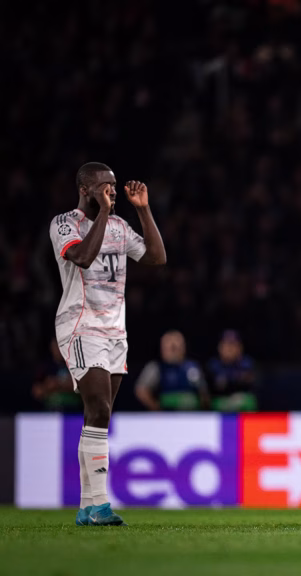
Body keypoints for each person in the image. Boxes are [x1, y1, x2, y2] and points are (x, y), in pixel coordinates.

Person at [48, 162, 166, 526]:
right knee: (98, 408)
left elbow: (156, 257)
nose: (112, 192)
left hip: (116, 330)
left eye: (114, 187)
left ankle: (87, 507)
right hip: (81, 325)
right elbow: (82, 257)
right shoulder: (64, 223)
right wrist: (102, 214)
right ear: (85, 188)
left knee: (99, 417)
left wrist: (143, 209)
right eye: (105, 187)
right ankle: (100, 504)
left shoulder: (119, 226)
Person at [135, 330, 207, 411]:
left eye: (177, 347)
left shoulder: (192, 367)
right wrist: (156, 408)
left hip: (191, 415)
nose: (174, 351)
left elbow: (203, 392)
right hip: (166, 416)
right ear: (162, 348)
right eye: (171, 348)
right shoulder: (156, 367)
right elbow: (141, 390)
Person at [206, 330, 258, 412]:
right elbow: (216, 386)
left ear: (240, 348)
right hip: (220, 401)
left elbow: (249, 384)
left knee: (248, 402)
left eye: (233, 345)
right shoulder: (214, 365)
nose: (230, 349)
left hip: (241, 400)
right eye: (226, 345)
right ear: (220, 347)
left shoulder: (246, 363)